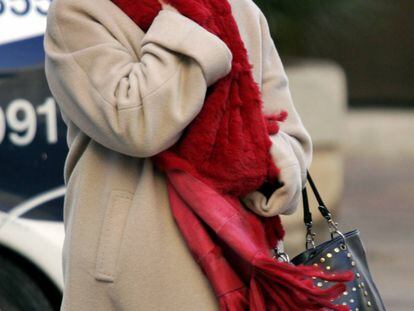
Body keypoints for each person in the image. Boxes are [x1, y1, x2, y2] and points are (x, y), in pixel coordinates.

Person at [43, 0, 312, 309]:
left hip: (242, 261)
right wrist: (189, 22)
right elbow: (137, 125)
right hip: (132, 276)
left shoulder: (239, 9)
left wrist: (261, 161)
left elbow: (288, 133)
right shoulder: (79, 11)